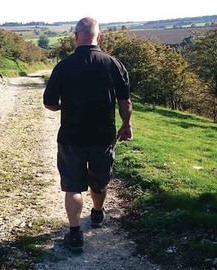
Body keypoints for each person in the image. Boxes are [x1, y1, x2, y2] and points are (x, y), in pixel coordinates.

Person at [43, 17, 132, 252]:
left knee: (73, 187)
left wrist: (65, 106)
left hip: (71, 137)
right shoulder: (113, 64)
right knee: (99, 180)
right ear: (98, 37)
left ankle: (74, 235)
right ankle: (97, 213)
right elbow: (125, 101)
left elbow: (49, 104)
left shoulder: (63, 66)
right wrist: (126, 124)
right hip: (103, 136)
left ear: (75, 37)